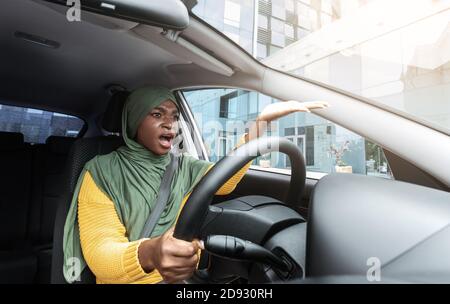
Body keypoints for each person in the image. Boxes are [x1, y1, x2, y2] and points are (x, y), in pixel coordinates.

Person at [63, 86, 328, 284]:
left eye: (175, 116)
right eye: (157, 114)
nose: (170, 123)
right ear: (134, 121)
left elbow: (225, 181)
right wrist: (151, 253)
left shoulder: (183, 165)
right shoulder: (100, 171)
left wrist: (261, 124)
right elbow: (100, 253)